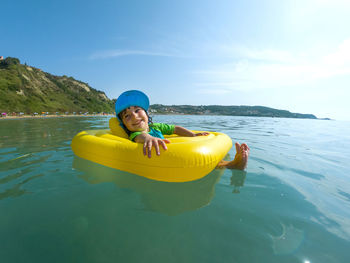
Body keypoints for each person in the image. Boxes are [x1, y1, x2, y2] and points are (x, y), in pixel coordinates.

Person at [115, 90, 249, 170]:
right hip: (161, 160)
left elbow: (176, 128)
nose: (134, 116)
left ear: (146, 113)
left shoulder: (155, 127)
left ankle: (234, 164)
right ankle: (232, 165)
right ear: (124, 125)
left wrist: (193, 135)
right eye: (127, 115)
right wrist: (149, 138)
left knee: (205, 159)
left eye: (137, 110)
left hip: (172, 152)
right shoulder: (136, 134)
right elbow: (140, 137)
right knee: (197, 161)